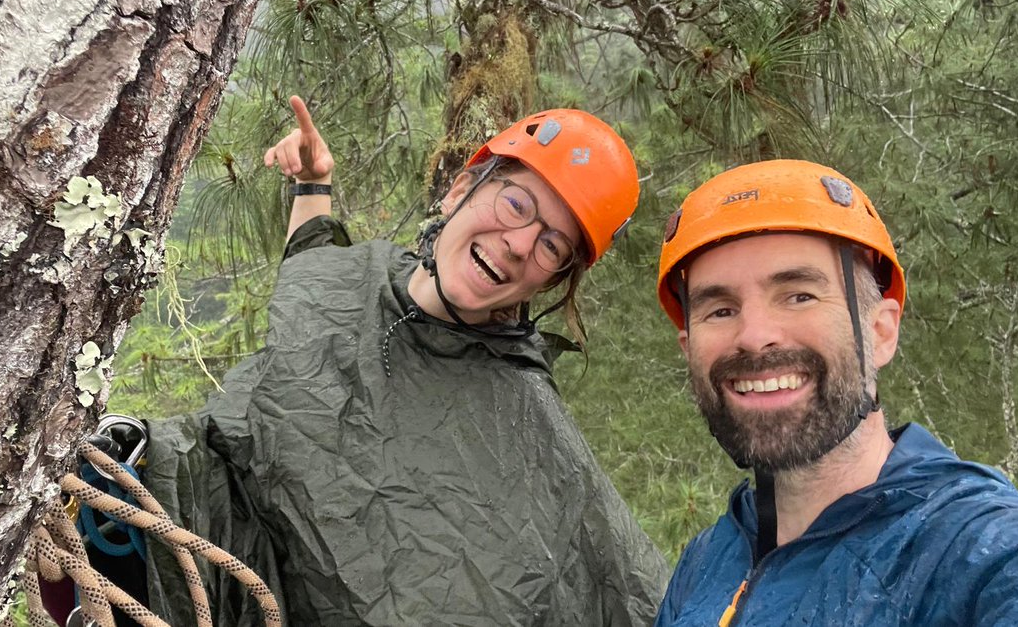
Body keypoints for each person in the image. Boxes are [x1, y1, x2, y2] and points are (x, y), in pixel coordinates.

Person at [140, 97, 670, 626]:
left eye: (552, 246)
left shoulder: (526, 424)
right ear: (459, 191)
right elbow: (313, 267)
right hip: (176, 525)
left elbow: (624, 582)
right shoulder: (363, 273)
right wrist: (311, 185)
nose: (518, 244)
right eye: (517, 205)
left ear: (549, 280)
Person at [652, 159, 1018, 626]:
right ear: (688, 349)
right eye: (721, 310)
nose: (754, 335)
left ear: (881, 332)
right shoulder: (708, 560)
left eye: (799, 295)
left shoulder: (975, 549)